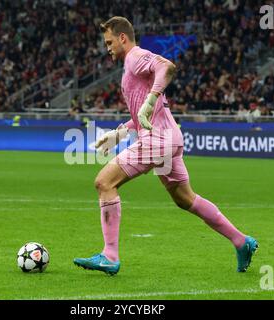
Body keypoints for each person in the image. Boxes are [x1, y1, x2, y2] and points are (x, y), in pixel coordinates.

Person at [73, 16, 258, 275]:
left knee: (104, 183)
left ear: (123, 38)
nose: (107, 47)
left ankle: (109, 255)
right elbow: (143, 113)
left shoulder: (136, 56)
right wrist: (120, 133)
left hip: (157, 140)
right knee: (185, 199)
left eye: (110, 41)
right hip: (169, 137)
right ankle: (242, 241)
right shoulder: (130, 66)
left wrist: (151, 99)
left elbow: (167, 67)